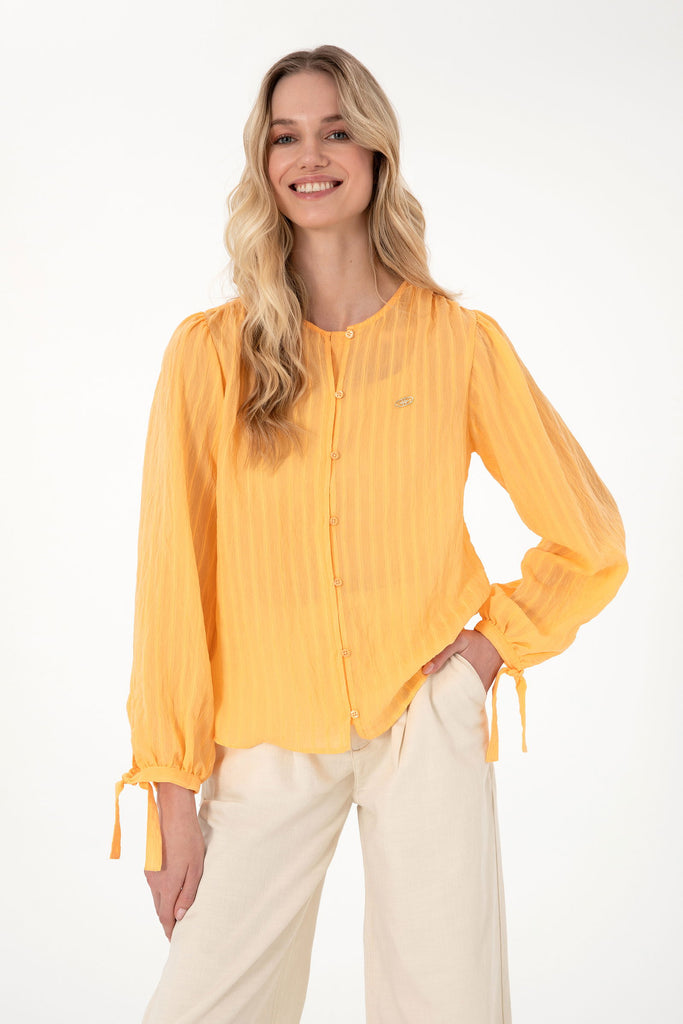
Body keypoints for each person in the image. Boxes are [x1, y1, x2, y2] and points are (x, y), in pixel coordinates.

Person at [109, 44, 628, 1023]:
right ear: (263, 162)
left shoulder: (456, 343)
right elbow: (172, 577)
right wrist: (171, 789)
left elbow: (588, 538)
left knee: (446, 1005)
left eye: (335, 130)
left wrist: (483, 655)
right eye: (285, 137)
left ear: (376, 151)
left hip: (419, 723)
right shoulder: (209, 355)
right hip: (262, 734)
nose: (310, 156)